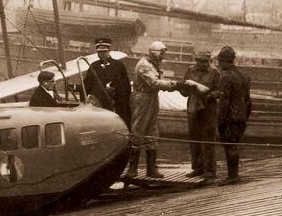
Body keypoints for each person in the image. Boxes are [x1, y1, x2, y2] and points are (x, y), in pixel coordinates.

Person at [129, 41, 180, 178]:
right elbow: (154, 83)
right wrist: (175, 85)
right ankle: (132, 169)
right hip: (142, 98)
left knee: (152, 131)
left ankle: (151, 169)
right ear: (153, 52)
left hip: (151, 97)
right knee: (138, 130)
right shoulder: (144, 65)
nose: (163, 57)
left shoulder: (153, 64)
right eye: (161, 53)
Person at [178, 49, 220, 179]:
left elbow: (220, 91)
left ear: (210, 61)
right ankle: (197, 168)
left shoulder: (215, 72)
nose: (203, 64)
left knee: (208, 139)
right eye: (201, 61)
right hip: (193, 108)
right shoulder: (190, 71)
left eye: (206, 61)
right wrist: (185, 90)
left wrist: (210, 95)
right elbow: (183, 89)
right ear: (196, 61)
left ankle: (210, 170)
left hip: (209, 109)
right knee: (194, 138)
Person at [216, 45, 252, 183]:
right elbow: (248, 100)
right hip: (242, 115)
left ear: (222, 61)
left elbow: (224, 102)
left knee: (229, 145)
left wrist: (220, 121)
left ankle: (232, 176)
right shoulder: (244, 75)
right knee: (234, 144)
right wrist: (246, 115)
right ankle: (234, 175)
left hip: (230, 116)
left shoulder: (225, 76)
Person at [83, 37, 132, 126]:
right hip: (98, 104)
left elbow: (125, 87)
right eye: (99, 52)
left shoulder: (118, 66)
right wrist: (76, 87)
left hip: (115, 104)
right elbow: (87, 85)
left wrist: (115, 90)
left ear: (109, 50)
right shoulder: (94, 66)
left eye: (104, 52)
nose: (101, 54)